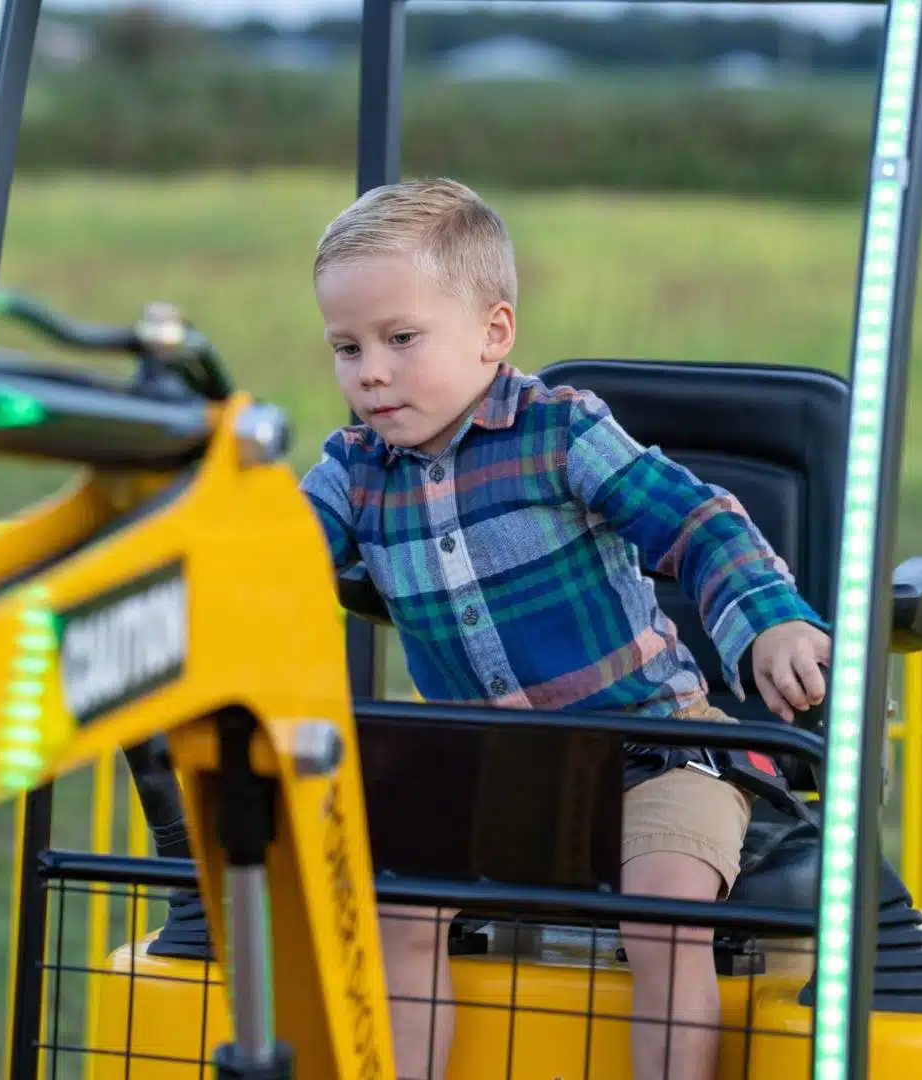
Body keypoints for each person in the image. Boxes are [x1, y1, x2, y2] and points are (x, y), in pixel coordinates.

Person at [299, 177, 831, 1080]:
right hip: (482, 765)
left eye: (401, 339)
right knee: (390, 910)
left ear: (493, 333)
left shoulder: (564, 433)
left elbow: (699, 524)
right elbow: (276, 555)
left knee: (663, 915)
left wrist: (772, 623)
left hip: (649, 749)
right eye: (347, 348)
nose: (372, 373)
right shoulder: (352, 470)